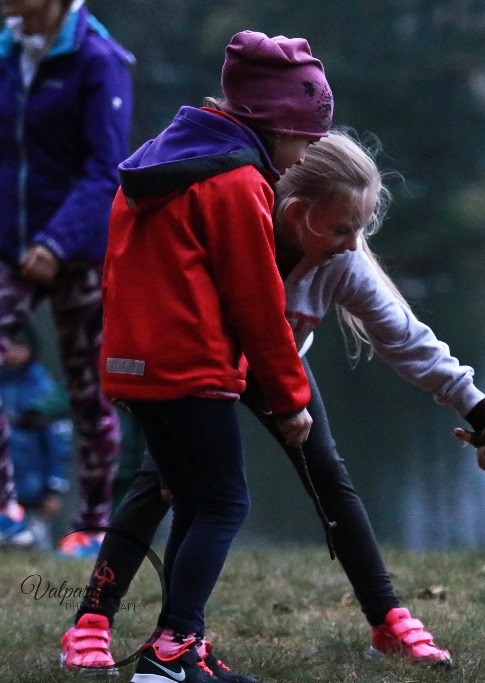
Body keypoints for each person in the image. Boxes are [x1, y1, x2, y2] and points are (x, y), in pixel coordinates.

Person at [60, 130, 485, 677]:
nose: (353, 243)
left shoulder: (341, 263)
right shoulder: (233, 222)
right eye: (344, 228)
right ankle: (92, 624)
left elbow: (407, 340)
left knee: (327, 473)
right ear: (299, 212)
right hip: (205, 365)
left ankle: (388, 619)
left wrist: (483, 416)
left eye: (360, 229)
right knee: (161, 482)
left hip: (278, 365)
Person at [89, 29, 330, 683]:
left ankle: (177, 649)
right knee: (226, 502)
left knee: (193, 497)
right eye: (306, 136)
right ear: (273, 121)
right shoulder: (236, 182)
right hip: (190, 368)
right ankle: (172, 652)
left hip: (133, 364)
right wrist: (290, 397)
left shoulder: (155, 163)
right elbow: (258, 302)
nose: (308, 153)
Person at [0, 0, 132, 558]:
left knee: (88, 391)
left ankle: (93, 528)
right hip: (9, 245)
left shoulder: (99, 60)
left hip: (77, 251)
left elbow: (106, 169)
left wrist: (55, 242)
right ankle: (8, 515)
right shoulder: (6, 52)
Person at [0, 322, 72, 549]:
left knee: (35, 545)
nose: (14, 352)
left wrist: (54, 488)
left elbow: (59, 444)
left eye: (21, 346)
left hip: (33, 490)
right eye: (10, 344)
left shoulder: (43, 390)